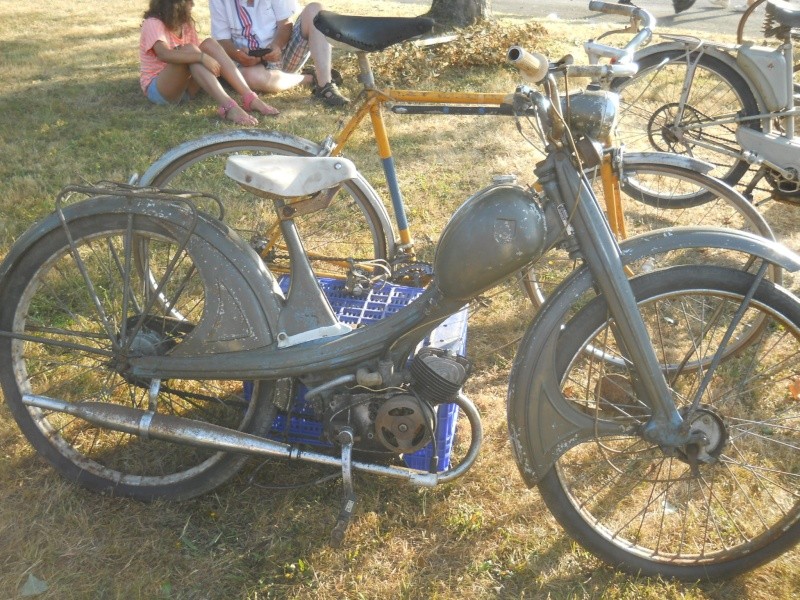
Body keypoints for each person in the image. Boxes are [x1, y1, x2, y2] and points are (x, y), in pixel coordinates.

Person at [139, 0, 279, 125]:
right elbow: (164, 54)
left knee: (209, 44)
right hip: (161, 89)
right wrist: (201, 57)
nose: (193, 5)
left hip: (187, 90)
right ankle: (229, 107)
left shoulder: (185, 23)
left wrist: (204, 57)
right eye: (189, 1)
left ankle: (249, 97)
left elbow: (196, 55)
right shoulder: (153, 23)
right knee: (191, 51)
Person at [209, 0, 350, 107]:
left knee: (315, 10)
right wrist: (237, 54)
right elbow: (222, 40)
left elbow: (285, 24)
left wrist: (277, 45)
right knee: (248, 76)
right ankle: (309, 78)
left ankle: (325, 85)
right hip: (249, 66)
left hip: (282, 53)